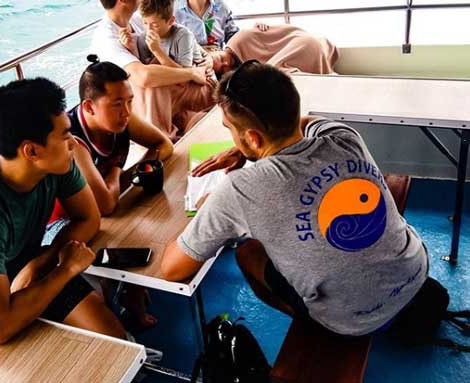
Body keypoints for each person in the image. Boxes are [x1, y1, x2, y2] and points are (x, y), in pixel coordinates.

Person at [160, 62, 429, 337]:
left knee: (247, 252)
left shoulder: (238, 189)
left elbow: (172, 269)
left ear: (253, 137)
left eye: (230, 129)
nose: (231, 135)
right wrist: (245, 147)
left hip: (351, 322)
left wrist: (205, 211)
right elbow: (310, 122)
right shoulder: (344, 136)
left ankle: (311, 326)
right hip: (415, 271)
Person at [0, 78, 126, 344]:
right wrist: (66, 268)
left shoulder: (56, 162)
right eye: (64, 135)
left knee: (115, 341)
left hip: (28, 264)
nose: (73, 142)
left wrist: (40, 264)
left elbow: (89, 219)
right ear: (32, 150)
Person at [47, 57, 173, 329]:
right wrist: (118, 173)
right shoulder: (74, 141)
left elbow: (164, 145)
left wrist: (125, 177)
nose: (127, 112)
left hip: (101, 208)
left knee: (146, 227)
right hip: (66, 223)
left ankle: (131, 296)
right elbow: (105, 205)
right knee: (130, 231)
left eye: (130, 101)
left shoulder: (120, 120)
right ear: (89, 106)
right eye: (117, 103)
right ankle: (123, 302)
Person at [91, 0, 216, 139]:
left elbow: (187, 40)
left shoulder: (140, 18)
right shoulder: (106, 37)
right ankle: (160, 138)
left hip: (184, 83)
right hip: (147, 96)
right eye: (147, 24)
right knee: (153, 80)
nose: (149, 28)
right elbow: (143, 77)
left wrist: (208, 58)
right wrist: (192, 73)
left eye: (153, 25)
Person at [209, 24, 339, 75]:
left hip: (303, 43)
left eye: (221, 58)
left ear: (216, 49)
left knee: (270, 74)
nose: (225, 63)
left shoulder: (240, 38)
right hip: (305, 46)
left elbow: (280, 33)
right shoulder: (240, 64)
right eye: (222, 68)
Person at [137, 0, 204, 68]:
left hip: (202, 75)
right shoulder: (143, 38)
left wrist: (157, 51)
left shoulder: (183, 35)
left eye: (155, 25)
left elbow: (186, 74)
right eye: (145, 23)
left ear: (171, 21)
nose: (149, 29)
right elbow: (145, 68)